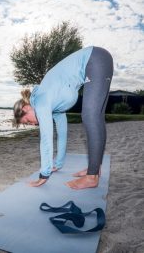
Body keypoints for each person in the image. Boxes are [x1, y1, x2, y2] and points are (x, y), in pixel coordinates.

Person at [13, 46, 113, 189]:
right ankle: (95, 169)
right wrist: (57, 165)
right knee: (96, 117)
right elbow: (62, 134)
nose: (34, 124)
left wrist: (44, 174)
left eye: (28, 121)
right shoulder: (54, 107)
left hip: (94, 60)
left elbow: (46, 139)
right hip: (99, 59)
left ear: (26, 108)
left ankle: (92, 177)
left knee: (90, 116)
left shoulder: (41, 100)